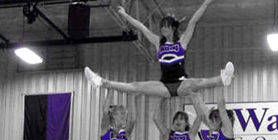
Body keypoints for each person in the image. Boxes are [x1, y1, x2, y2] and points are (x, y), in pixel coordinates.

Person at [85, 1, 235, 97]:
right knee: (137, 87)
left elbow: (194, 21)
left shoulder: (182, 42)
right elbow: (141, 26)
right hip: (164, 85)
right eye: (161, 26)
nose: (162, 29)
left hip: (181, 83)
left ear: (172, 28)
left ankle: (223, 79)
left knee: (198, 82)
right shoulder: (158, 42)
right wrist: (125, 15)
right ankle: (101, 82)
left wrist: (206, 3)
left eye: (165, 26)